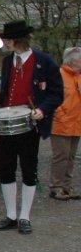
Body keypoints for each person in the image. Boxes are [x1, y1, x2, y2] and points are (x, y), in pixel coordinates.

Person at [0, 20, 63, 234]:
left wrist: (43, 110)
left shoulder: (44, 61)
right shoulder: (8, 61)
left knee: (29, 169)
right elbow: (9, 88)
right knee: (6, 168)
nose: (5, 42)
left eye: (8, 39)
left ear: (18, 40)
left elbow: (57, 93)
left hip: (29, 122)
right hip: (7, 120)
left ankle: (25, 216)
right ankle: (11, 215)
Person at [48, 46, 81, 200]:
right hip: (61, 123)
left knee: (71, 157)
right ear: (73, 61)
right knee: (61, 157)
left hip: (76, 123)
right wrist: (59, 113)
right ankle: (56, 188)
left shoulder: (78, 76)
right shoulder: (59, 75)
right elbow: (51, 98)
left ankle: (67, 187)